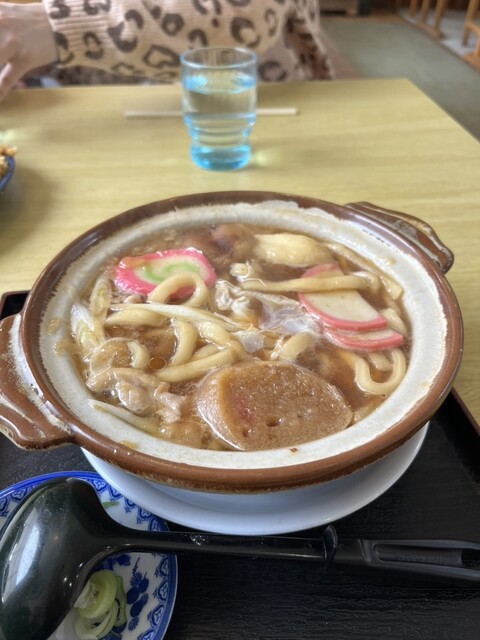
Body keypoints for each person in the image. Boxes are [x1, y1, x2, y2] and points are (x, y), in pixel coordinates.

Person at [0, 0, 334, 101]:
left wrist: (59, 24)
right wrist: (31, 57)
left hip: (261, 102)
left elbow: (248, 17)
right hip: (119, 115)